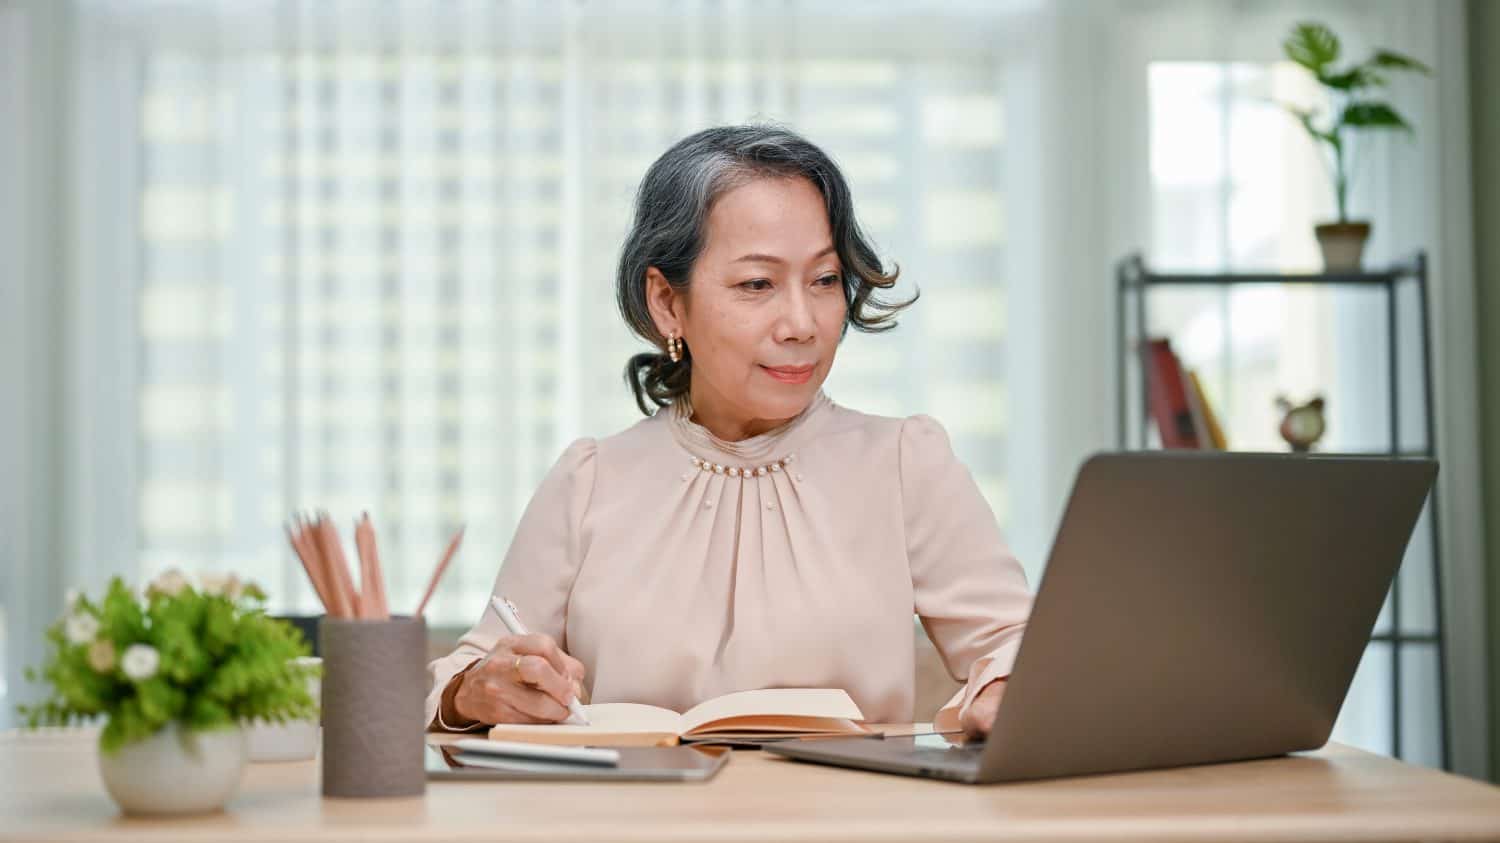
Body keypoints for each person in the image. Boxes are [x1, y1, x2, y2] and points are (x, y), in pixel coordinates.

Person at [426, 125, 1031, 738]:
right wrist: (474, 692)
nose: (802, 323)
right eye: (756, 284)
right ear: (666, 302)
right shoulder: (590, 480)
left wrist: (1008, 684)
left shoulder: (905, 464)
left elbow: (1019, 641)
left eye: (824, 280)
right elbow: (469, 672)